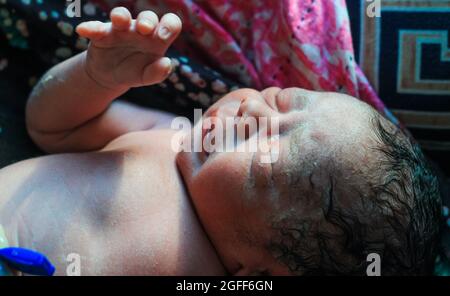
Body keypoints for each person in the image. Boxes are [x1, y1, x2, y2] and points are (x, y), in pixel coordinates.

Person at [0, 7, 441, 275]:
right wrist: (95, 77)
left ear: (258, 270)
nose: (252, 114)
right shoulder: (169, 139)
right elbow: (52, 127)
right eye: (281, 100)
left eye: (265, 158)